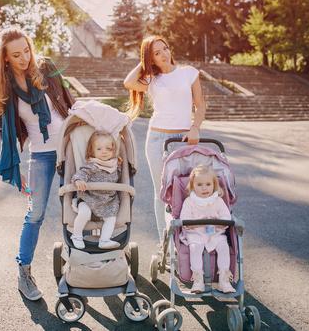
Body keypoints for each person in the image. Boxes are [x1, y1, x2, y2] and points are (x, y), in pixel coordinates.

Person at [0, 26, 75, 301]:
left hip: (71, 149)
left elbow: (70, 102)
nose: (25, 58)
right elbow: (7, 134)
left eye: (26, 50)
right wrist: (18, 167)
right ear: (5, 58)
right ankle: (24, 274)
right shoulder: (6, 89)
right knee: (35, 214)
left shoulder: (45, 67)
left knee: (75, 208)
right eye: (16, 54)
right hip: (41, 155)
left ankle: (80, 266)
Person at [123, 35, 207, 243]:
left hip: (184, 139)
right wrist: (145, 59)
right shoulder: (152, 79)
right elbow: (129, 82)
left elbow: (201, 104)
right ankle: (166, 244)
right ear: (150, 59)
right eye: (157, 53)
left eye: (165, 49)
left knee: (188, 188)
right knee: (162, 192)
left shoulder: (188, 73)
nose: (164, 55)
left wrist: (195, 126)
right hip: (157, 140)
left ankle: (187, 238)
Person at [179, 164, 236, 294]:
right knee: (195, 248)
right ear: (192, 186)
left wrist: (218, 222)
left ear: (214, 185)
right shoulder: (190, 201)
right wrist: (201, 222)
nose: (204, 188)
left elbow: (226, 219)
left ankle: (224, 280)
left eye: (208, 184)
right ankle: (198, 280)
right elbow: (185, 221)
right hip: (195, 233)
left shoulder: (217, 200)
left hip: (215, 233)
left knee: (223, 246)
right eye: (199, 185)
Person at [71, 131, 122, 250]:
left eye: (108, 149)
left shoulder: (115, 165)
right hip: (88, 198)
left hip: (108, 200)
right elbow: (81, 174)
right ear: (92, 151)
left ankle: (104, 240)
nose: (104, 152)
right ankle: (76, 235)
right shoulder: (91, 165)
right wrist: (78, 180)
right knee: (84, 212)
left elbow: (120, 179)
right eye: (99, 149)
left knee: (111, 218)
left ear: (113, 150)